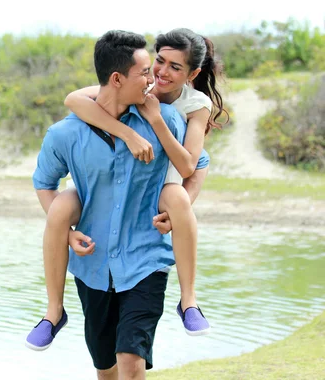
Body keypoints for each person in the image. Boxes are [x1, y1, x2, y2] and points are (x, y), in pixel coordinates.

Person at [26, 29, 227, 351]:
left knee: (177, 197)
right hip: (97, 194)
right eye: (157, 62)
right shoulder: (124, 94)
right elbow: (74, 100)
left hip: (162, 186)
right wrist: (130, 135)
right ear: (120, 78)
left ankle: (189, 300)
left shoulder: (190, 107)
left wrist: (183, 206)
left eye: (175, 67)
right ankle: (53, 311)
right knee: (62, 205)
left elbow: (194, 164)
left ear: (192, 74)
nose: (159, 74)